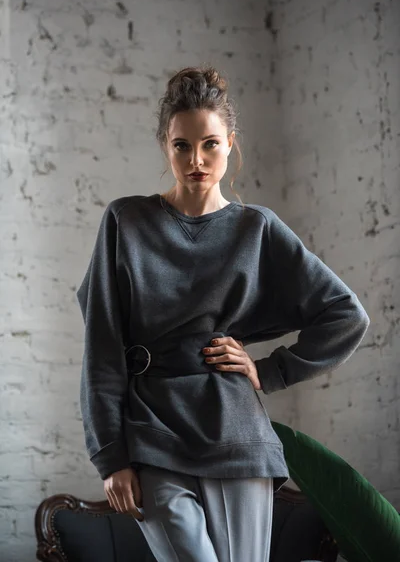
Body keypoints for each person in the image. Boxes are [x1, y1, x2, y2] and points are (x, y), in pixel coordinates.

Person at [76, 65, 370, 562]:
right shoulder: (125, 221)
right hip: (152, 430)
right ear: (165, 146)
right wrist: (110, 456)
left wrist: (270, 371)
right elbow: (102, 350)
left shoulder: (257, 227)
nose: (196, 159)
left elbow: (346, 314)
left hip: (238, 435)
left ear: (230, 143)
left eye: (210, 144)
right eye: (182, 145)